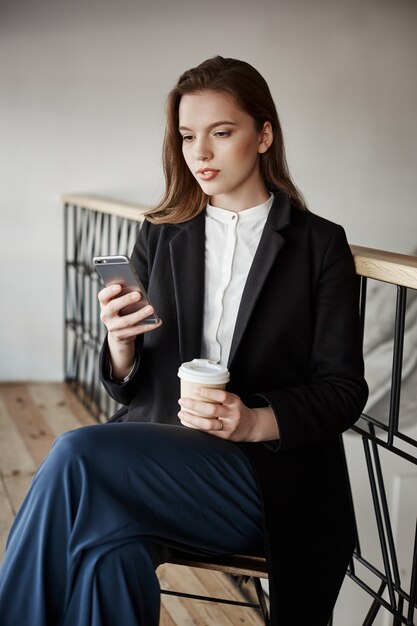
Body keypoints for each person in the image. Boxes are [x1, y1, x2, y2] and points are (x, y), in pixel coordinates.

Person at [0, 56, 368, 626]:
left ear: (264, 134)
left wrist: (251, 420)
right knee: (107, 559)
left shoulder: (319, 245)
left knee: (77, 452)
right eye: (188, 136)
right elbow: (129, 387)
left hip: (259, 480)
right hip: (155, 455)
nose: (200, 153)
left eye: (221, 134)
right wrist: (120, 343)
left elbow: (343, 390)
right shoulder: (163, 232)